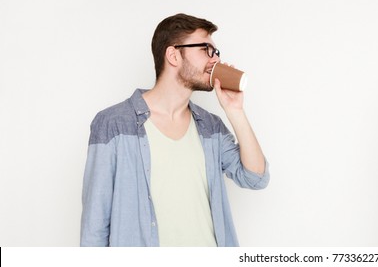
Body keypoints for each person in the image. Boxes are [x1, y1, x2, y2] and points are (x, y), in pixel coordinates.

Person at [80, 13, 270, 247]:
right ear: (173, 55)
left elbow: (256, 178)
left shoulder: (210, 127)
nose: (215, 61)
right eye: (206, 50)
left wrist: (235, 111)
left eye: (216, 53)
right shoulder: (113, 124)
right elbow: (94, 227)